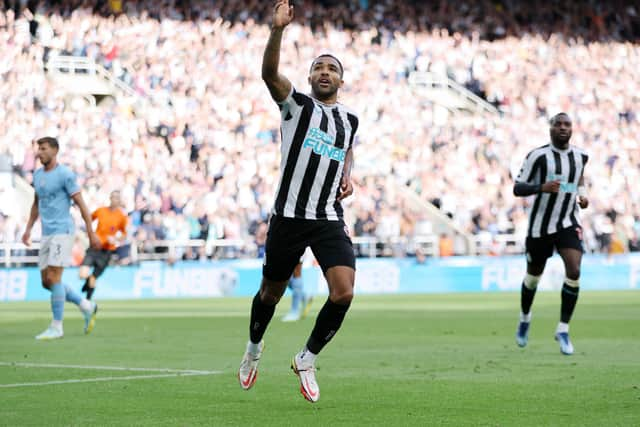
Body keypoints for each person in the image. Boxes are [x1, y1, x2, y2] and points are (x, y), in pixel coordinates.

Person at [238, 0, 359, 403]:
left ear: (341, 80)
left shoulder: (349, 120)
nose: (325, 72)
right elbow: (268, 73)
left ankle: (306, 358)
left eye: (332, 68)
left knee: (343, 293)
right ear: (309, 77)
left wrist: (347, 174)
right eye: (319, 67)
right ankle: (254, 348)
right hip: (289, 215)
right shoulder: (296, 106)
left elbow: (346, 151)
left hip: (327, 216)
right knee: (270, 294)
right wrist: (277, 30)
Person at [513, 113, 589, 355]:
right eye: (558, 124)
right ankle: (525, 318)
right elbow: (518, 187)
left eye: (567, 124)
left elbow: (578, 180)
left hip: (568, 221)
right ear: (551, 129)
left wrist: (582, 195)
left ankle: (563, 328)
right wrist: (540, 187)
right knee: (533, 277)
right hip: (540, 227)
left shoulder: (580, 156)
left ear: (572, 129)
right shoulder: (537, 156)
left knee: (574, 270)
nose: (563, 128)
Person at [22, 137, 101, 340]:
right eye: (38, 149)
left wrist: (91, 233)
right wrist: (28, 229)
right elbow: (35, 204)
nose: (39, 152)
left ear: (55, 150)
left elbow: (81, 204)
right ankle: (86, 305)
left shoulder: (65, 174)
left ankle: (57, 326)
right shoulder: (38, 175)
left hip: (63, 231)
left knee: (55, 277)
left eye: (44, 148)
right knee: (46, 282)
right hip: (47, 233)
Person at [79, 190, 129, 300]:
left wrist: (115, 238)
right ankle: (87, 284)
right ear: (110, 198)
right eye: (113, 197)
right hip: (95, 247)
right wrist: (90, 233)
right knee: (82, 274)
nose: (115, 200)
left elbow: (124, 234)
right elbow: (88, 220)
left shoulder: (121, 216)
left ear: (120, 200)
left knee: (94, 277)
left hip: (107, 251)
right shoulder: (101, 211)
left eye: (117, 198)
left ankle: (88, 301)